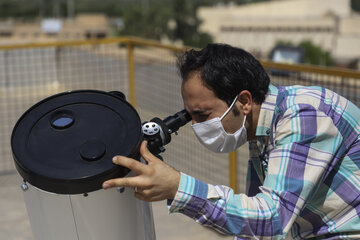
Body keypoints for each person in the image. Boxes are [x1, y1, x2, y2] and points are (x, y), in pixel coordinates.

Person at [102, 44, 360, 239]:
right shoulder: (262, 128)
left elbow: (270, 220)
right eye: (190, 117)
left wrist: (178, 187)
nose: (196, 126)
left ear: (244, 102)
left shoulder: (304, 117)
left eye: (202, 115)